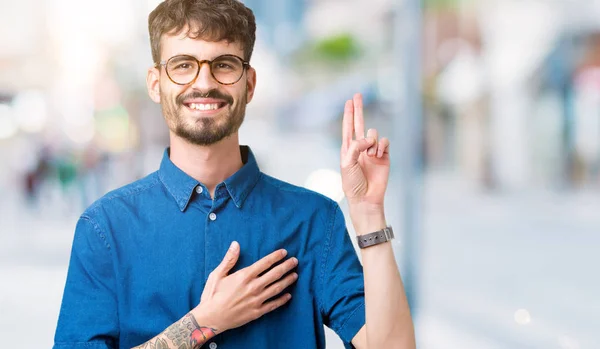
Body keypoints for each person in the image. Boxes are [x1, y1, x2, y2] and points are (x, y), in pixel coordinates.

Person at [53, 0, 415, 348]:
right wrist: (203, 323)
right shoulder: (105, 228)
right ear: (154, 82)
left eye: (224, 65)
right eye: (182, 65)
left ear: (250, 83)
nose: (204, 82)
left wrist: (369, 215)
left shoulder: (315, 221)